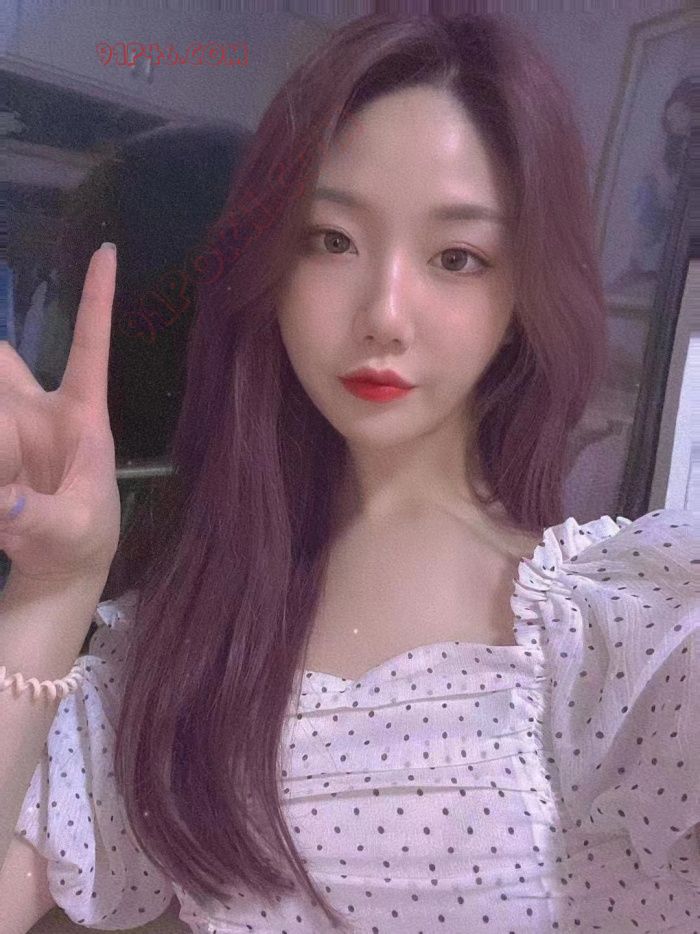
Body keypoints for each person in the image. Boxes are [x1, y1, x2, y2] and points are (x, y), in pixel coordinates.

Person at [0, 11, 698, 934]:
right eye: (333, 239)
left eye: (457, 257)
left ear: (522, 291)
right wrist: (55, 587)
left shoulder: (615, 629)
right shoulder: (185, 647)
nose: (385, 314)